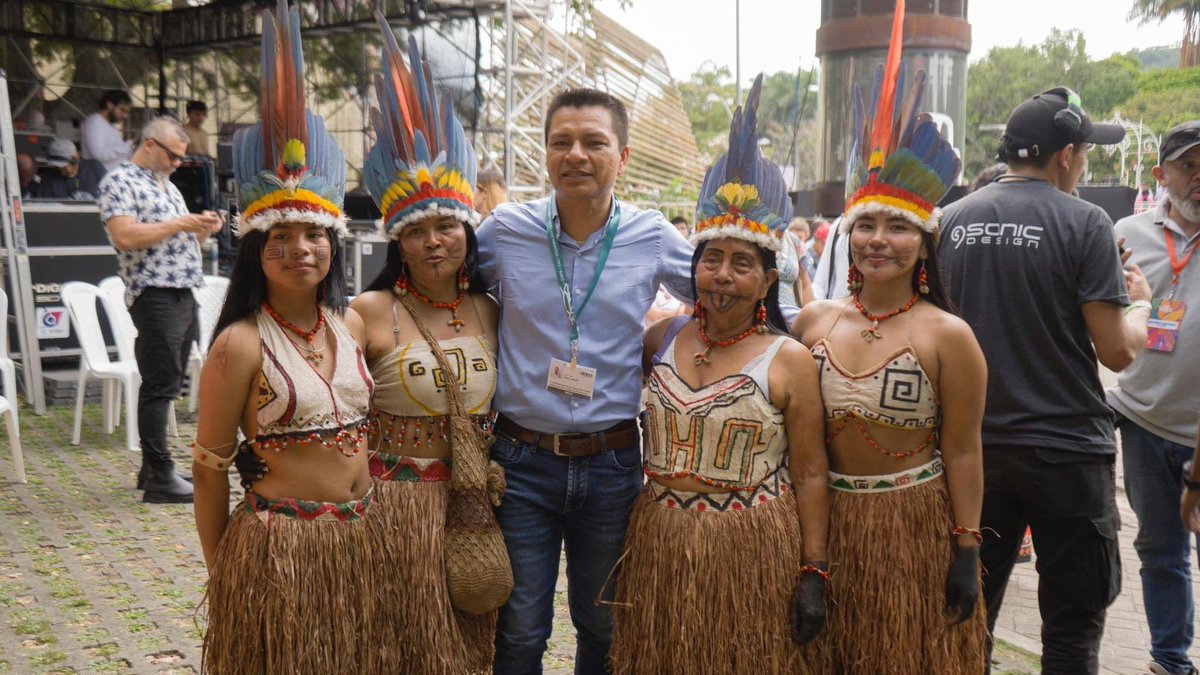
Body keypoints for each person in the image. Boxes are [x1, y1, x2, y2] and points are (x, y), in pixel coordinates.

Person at [609, 74, 829, 674]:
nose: (722, 276)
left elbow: (810, 473)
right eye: (711, 260)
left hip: (752, 550)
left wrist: (813, 569)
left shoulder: (788, 360)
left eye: (740, 264)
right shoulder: (661, 338)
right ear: (694, 269)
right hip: (660, 543)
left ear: (766, 280)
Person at [793, 6, 988, 669]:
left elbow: (962, 450)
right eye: (867, 224)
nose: (880, 240)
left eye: (898, 228)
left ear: (924, 241)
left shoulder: (948, 336)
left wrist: (965, 546)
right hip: (819, 526)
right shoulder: (814, 322)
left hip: (911, 529)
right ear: (849, 233)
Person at [476, 87, 694, 674]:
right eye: (560, 142)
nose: (575, 154)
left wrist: (670, 339)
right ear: (545, 155)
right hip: (521, 463)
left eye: (593, 142)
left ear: (621, 156)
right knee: (520, 628)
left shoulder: (651, 236)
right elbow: (442, 286)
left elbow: (724, 296)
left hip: (613, 464)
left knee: (605, 624)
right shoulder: (505, 231)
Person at [938, 86, 1152, 674]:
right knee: (1072, 629)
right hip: (1067, 454)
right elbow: (1116, 353)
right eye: (1084, 153)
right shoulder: (1086, 223)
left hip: (972, 452)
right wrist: (1141, 308)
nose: (1083, 165)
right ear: (1066, 154)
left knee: (969, 620)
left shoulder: (948, 221)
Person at [192, 3, 375, 672]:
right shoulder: (238, 344)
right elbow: (208, 472)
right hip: (278, 548)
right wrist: (225, 576)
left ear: (334, 242)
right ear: (254, 250)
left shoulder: (349, 322)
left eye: (314, 235)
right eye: (281, 237)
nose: (301, 248)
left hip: (359, 541)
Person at [354, 26, 503, 672]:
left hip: (474, 505)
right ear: (398, 243)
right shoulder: (369, 311)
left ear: (467, 229)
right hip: (397, 509)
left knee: (470, 646)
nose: (435, 240)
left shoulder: (491, 310)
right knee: (403, 647)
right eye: (416, 231)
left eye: (447, 225)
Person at [1107, 120, 1200, 675]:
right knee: (1161, 551)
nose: (1199, 176)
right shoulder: (1126, 232)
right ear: (1160, 174)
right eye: (1189, 165)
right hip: (1143, 419)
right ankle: (1170, 660)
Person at [99, 116, 221, 503]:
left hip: (182, 290)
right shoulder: (119, 181)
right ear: (149, 144)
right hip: (153, 292)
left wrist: (200, 229)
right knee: (159, 383)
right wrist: (179, 223)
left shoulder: (166, 187)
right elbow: (124, 235)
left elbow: (179, 239)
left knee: (170, 381)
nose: (177, 163)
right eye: (173, 155)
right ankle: (160, 476)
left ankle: (152, 468)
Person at [80, 89, 133, 195]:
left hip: (113, 183)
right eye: (122, 110)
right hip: (98, 182)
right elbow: (98, 154)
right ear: (109, 105)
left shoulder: (111, 127)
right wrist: (127, 146)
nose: (124, 115)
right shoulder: (95, 122)